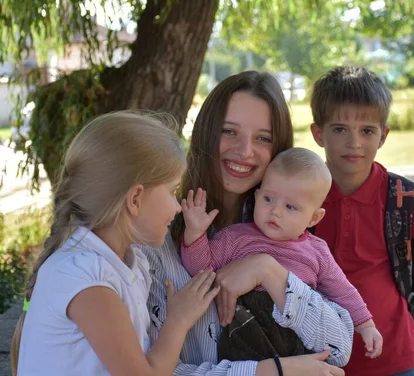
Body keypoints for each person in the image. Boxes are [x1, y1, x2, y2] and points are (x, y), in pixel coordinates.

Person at [141, 71, 353, 376]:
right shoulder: (157, 238)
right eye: (229, 131)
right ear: (206, 133)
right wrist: (267, 371)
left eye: (263, 138)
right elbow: (145, 370)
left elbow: (339, 348)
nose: (245, 151)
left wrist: (266, 270)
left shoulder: (288, 234)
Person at [11, 111, 221, 376]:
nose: (178, 207)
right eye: (172, 192)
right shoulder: (86, 278)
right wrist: (178, 320)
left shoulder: (125, 264)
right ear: (135, 199)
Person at [309, 65, 414, 376]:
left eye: (367, 131)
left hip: (393, 355)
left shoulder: (401, 197)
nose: (354, 143)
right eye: (339, 129)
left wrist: (403, 257)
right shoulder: (302, 193)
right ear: (318, 133)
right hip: (319, 357)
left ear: (383, 136)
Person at [180, 147, 383, 361]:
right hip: (245, 332)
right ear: (256, 197)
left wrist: (366, 325)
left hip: (298, 337)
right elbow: (200, 271)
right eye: (268, 199)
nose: (275, 211)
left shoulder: (316, 251)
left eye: (290, 207)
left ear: (314, 218)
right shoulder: (234, 237)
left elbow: (342, 292)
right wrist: (195, 234)